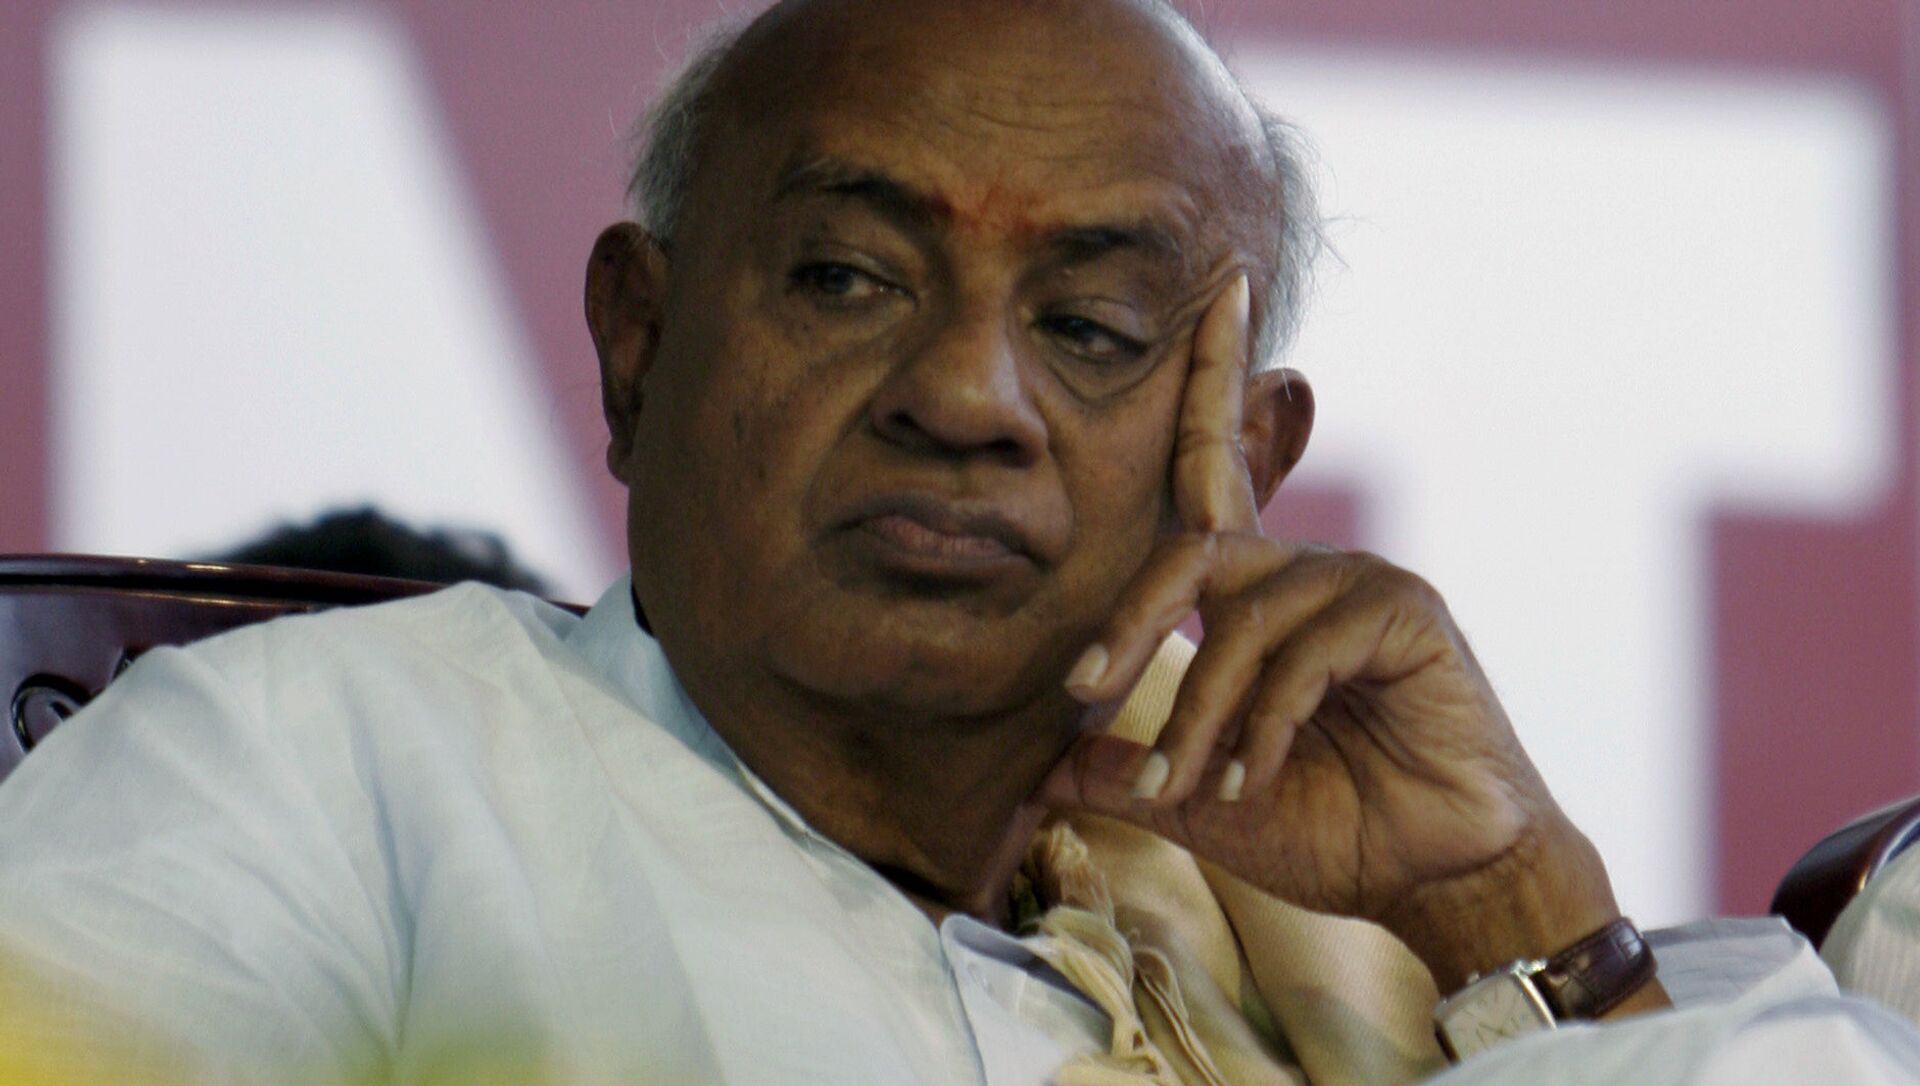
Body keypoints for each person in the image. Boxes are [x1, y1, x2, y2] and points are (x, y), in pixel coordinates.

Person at [2, 1, 1917, 1083]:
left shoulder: (1349, 940)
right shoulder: (326, 769)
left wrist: (1519, 916)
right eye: (846, 277)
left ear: (1237, 458)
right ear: (637, 348)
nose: (969, 394)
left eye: (1088, 326)